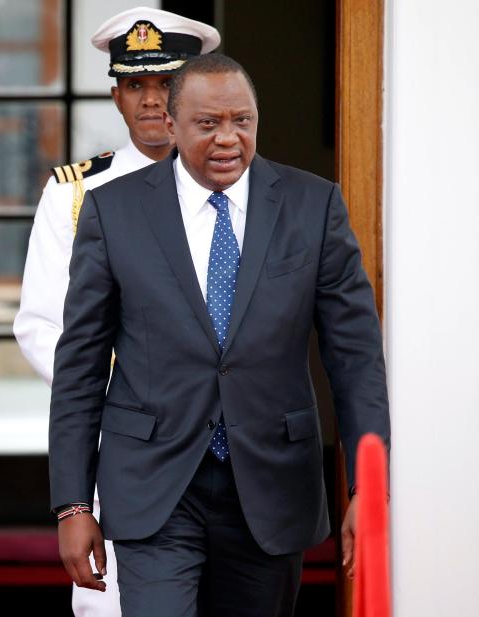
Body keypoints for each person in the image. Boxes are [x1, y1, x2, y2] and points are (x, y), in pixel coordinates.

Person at [49, 53, 390, 617]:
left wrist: (368, 487)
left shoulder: (313, 205)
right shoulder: (114, 211)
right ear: (172, 126)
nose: (228, 138)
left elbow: (355, 357)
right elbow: (80, 366)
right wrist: (71, 503)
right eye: (208, 124)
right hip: (154, 484)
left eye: (242, 120)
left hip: (272, 486)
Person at [13, 8, 219, 615]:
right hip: (124, 437)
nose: (152, 101)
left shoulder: (238, 186)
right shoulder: (77, 192)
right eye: (136, 85)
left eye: (167, 84)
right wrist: (129, 385)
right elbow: (41, 324)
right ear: (116, 95)